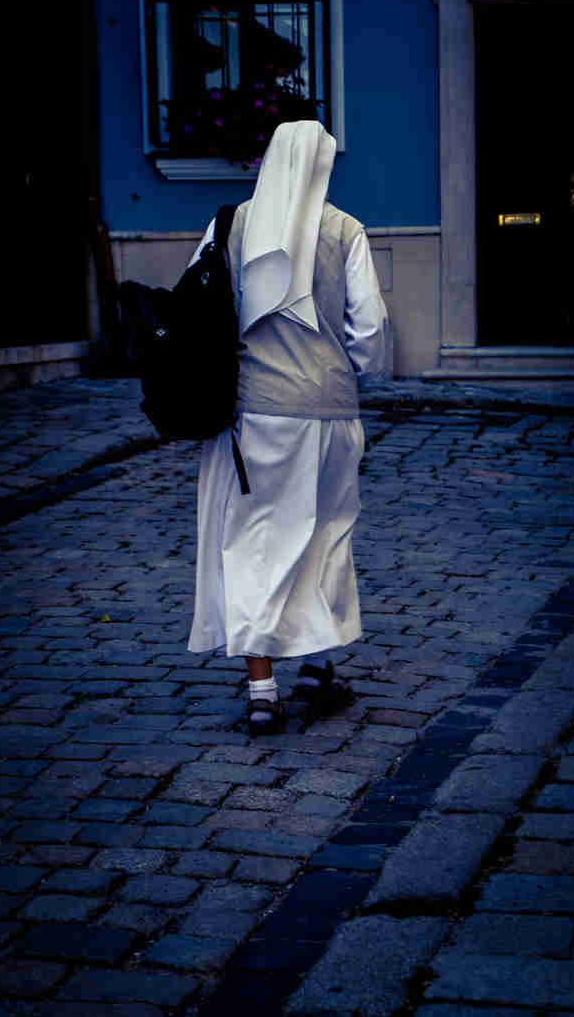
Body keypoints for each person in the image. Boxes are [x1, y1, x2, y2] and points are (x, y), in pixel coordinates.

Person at [186, 120, 392, 735]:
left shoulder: (230, 226)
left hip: (253, 414)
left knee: (253, 543)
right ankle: (316, 665)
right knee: (325, 534)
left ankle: (262, 689)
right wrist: (349, 369)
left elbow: (198, 307)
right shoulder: (344, 230)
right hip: (328, 413)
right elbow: (370, 333)